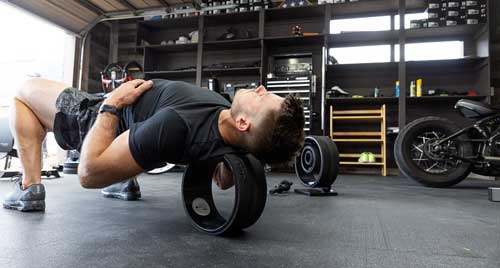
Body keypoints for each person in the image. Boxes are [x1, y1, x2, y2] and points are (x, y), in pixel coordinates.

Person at [3, 78, 305, 212]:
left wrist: (111, 104)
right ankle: (124, 179)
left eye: (263, 97)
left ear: (244, 124)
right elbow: (226, 178)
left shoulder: (176, 125)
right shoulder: (228, 124)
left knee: (23, 92)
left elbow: (88, 173)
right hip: (125, 115)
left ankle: (30, 187)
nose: (261, 89)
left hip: (93, 115)